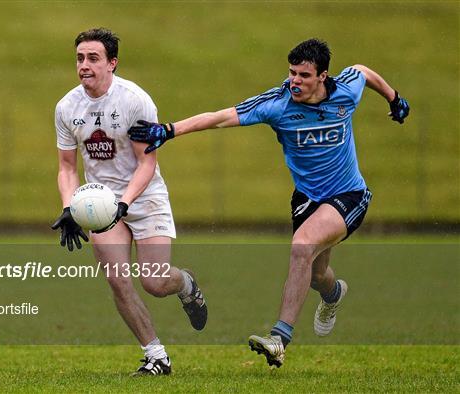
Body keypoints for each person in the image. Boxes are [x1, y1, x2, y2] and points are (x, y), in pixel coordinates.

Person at [128, 38, 409, 367]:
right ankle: (334, 295)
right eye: (292, 73)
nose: (295, 82)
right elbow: (220, 117)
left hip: (349, 195)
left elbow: (363, 71)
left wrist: (394, 98)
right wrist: (168, 130)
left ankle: (279, 338)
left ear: (323, 76)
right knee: (317, 275)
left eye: (304, 75)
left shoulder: (346, 90)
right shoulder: (277, 103)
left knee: (302, 245)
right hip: (307, 200)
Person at [50, 28, 207, 376]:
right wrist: (70, 206)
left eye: (93, 58)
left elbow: (146, 163)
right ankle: (156, 356)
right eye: (80, 58)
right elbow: (66, 166)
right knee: (118, 280)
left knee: (155, 282)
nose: (84, 65)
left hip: (145, 194)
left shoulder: (134, 101)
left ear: (112, 63)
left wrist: (125, 203)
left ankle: (186, 285)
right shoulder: (66, 107)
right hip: (100, 205)